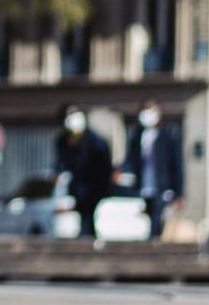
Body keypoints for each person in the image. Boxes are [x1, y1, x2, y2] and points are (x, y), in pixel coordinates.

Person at [123, 101, 183, 240]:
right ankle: (152, 239)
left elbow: (176, 165)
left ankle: (154, 240)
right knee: (148, 213)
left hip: (162, 185)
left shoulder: (167, 136)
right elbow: (131, 159)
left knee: (158, 214)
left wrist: (179, 193)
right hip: (144, 183)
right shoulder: (138, 136)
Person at [54, 105, 113, 239]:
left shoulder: (95, 142)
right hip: (77, 187)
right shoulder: (63, 141)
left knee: (90, 216)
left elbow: (102, 167)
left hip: (93, 187)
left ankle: (88, 236)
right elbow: (61, 163)